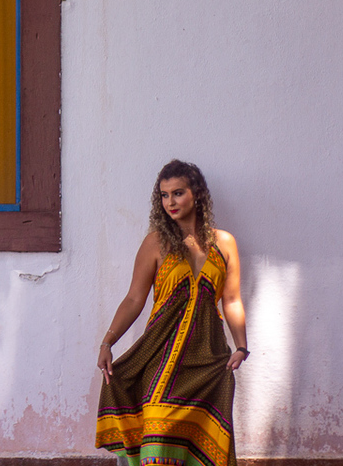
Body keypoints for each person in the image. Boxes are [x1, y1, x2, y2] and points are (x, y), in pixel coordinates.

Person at [95, 159, 249, 466]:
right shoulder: (156, 243)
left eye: (177, 193)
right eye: (164, 195)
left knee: (205, 429)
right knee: (157, 422)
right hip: (160, 354)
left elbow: (231, 301)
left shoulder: (225, 243)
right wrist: (107, 342)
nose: (170, 202)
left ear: (197, 195)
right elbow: (134, 299)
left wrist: (242, 346)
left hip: (207, 356)